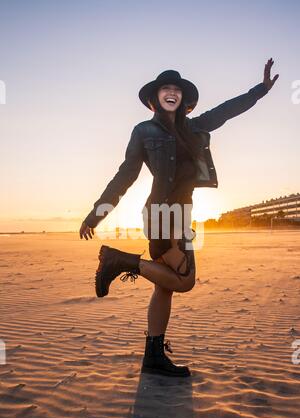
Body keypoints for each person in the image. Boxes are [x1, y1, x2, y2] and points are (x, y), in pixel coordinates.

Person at [80, 59, 279, 377]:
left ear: (183, 99)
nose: (171, 92)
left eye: (176, 89)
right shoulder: (143, 131)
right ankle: (120, 262)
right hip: (161, 213)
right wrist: (97, 213)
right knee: (185, 281)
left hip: (181, 213)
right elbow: (125, 175)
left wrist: (261, 90)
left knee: (166, 286)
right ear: (155, 98)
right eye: (165, 88)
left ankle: (153, 356)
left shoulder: (196, 126)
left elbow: (228, 110)